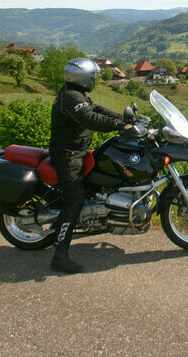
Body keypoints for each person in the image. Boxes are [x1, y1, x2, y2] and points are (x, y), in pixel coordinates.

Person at [49, 58, 131, 274]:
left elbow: (96, 108)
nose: (95, 79)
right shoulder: (70, 96)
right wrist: (119, 125)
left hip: (79, 151)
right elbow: (89, 118)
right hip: (68, 155)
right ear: (83, 77)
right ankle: (59, 254)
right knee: (74, 199)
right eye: (93, 76)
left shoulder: (76, 93)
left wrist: (125, 119)